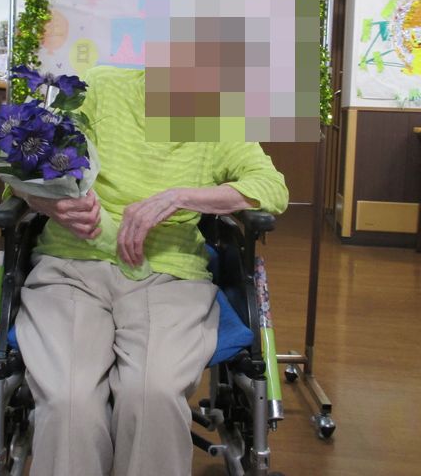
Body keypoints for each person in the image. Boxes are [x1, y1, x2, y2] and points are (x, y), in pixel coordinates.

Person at [15, 65, 289, 476]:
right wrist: (46, 202)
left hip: (168, 275)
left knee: (153, 394)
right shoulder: (100, 87)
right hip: (72, 266)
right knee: (69, 399)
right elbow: (23, 167)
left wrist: (180, 198)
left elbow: (271, 188)